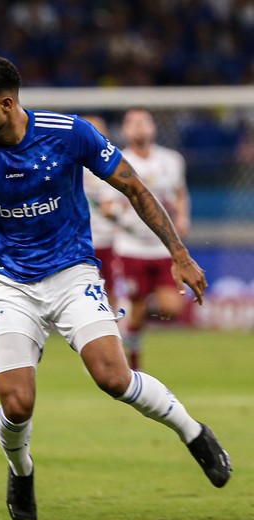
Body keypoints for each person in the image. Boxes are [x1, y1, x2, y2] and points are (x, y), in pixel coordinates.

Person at [0, 55, 231, 520]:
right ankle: (21, 469)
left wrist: (180, 254)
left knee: (114, 378)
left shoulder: (69, 132)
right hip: (8, 283)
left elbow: (135, 188)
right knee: (17, 404)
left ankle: (194, 433)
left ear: (6, 104)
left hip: (72, 273)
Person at [112, 108, 192, 370]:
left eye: (143, 121)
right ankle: (133, 365)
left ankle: (133, 316)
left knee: (172, 308)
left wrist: (182, 217)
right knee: (136, 306)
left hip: (162, 247)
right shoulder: (116, 160)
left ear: (153, 127)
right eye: (131, 122)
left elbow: (180, 193)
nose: (138, 127)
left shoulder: (172, 160)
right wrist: (115, 211)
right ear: (124, 131)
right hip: (131, 245)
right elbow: (107, 202)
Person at [81, 115, 123, 311]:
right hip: (77, 240)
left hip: (108, 239)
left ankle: (116, 329)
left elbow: (114, 205)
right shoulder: (67, 164)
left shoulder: (114, 165)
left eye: (98, 131)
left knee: (110, 288)